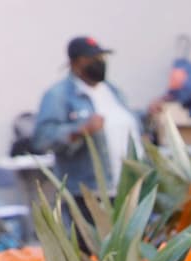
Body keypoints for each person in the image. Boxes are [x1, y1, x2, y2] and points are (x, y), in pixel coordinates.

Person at [33, 36, 145, 201]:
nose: (98, 62)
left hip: (130, 189)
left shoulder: (112, 90)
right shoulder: (59, 95)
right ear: (75, 63)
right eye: (91, 58)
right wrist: (80, 130)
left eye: (101, 57)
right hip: (92, 194)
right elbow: (42, 138)